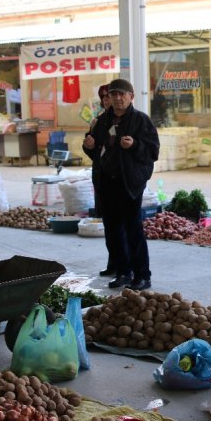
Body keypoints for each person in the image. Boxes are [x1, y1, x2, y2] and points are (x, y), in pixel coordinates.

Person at [83, 78, 160, 290]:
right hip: (106, 182)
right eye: (114, 94)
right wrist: (88, 145)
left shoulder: (141, 121)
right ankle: (123, 272)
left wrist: (135, 144)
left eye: (122, 95)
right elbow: (96, 149)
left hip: (129, 183)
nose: (118, 99)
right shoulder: (102, 121)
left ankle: (142, 275)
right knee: (114, 230)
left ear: (131, 97)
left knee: (133, 229)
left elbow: (153, 151)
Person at [88, 84, 117, 277]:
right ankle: (113, 263)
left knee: (123, 226)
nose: (107, 100)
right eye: (104, 98)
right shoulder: (98, 121)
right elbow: (94, 152)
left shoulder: (129, 120)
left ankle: (126, 267)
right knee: (109, 225)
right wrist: (89, 144)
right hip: (102, 179)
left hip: (121, 181)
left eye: (110, 96)